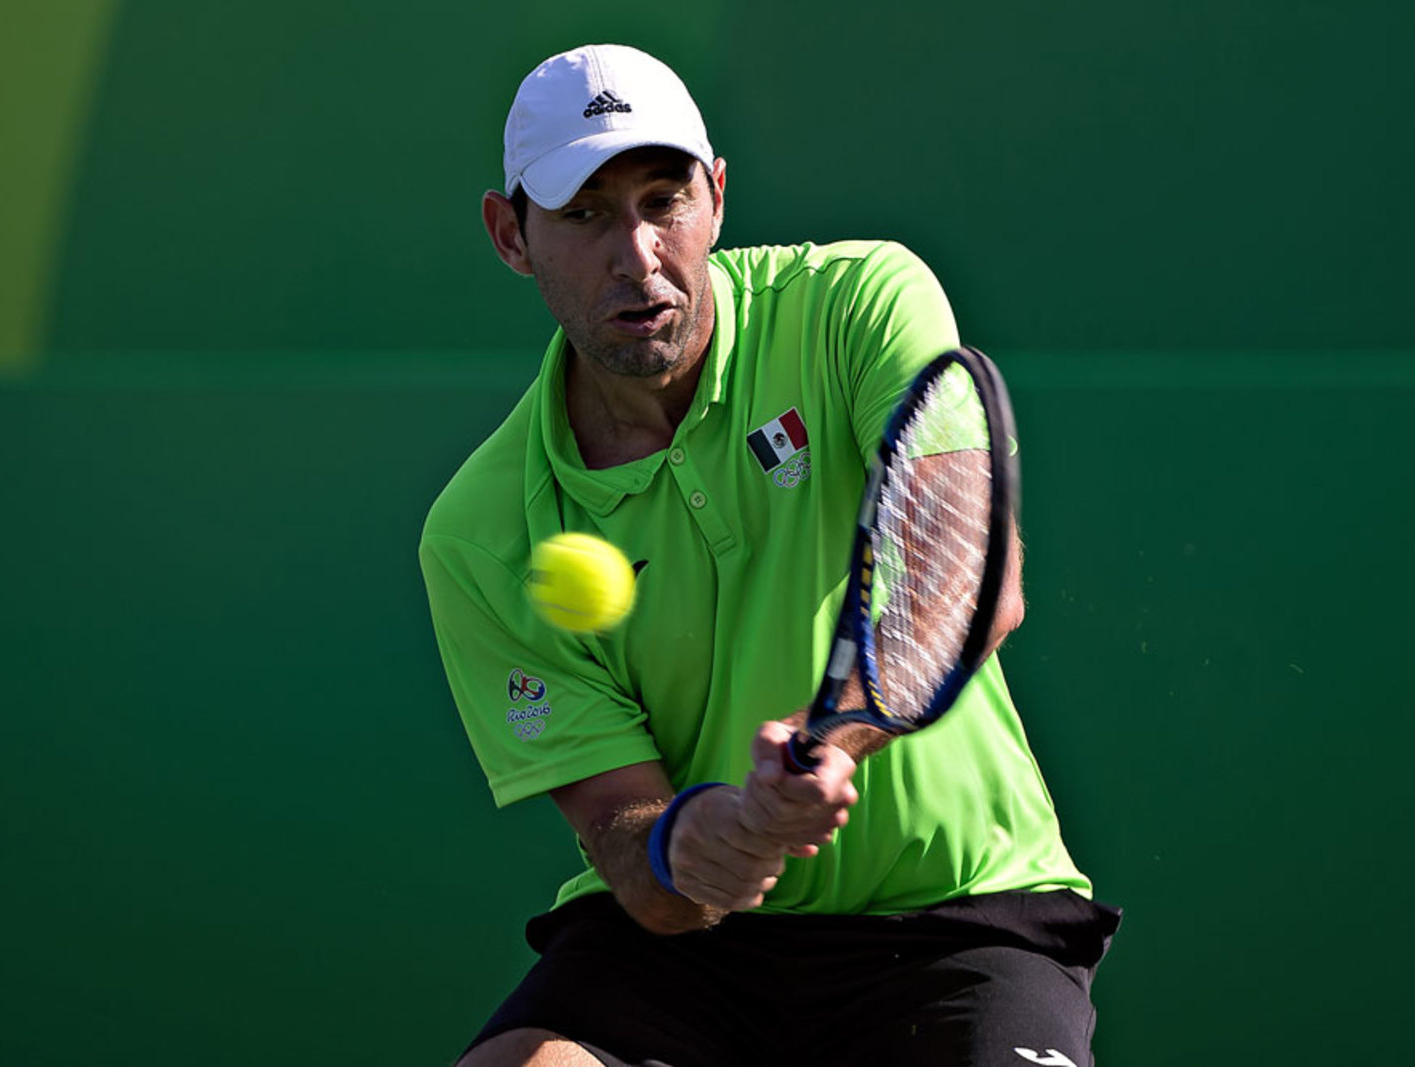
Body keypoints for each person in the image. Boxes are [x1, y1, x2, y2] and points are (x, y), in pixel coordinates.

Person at [419, 43, 1119, 1067]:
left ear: (717, 195)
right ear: (510, 235)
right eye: (584, 214)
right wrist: (697, 844)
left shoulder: (858, 300)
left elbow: (967, 570)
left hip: (960, 914)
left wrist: (831, 737)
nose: (636, 254)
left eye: (664, 201)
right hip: (685, 961)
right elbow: (628, 842)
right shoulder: (481, 533)